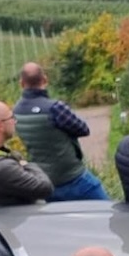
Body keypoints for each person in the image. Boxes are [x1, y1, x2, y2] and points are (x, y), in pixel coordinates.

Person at [13, 62, 110, 201]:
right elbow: (83, 129)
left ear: (21, 83)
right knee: (106, 208)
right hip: (72, 176)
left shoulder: (15, 111)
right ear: (45, 80)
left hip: (45, 182)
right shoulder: (55, 107)